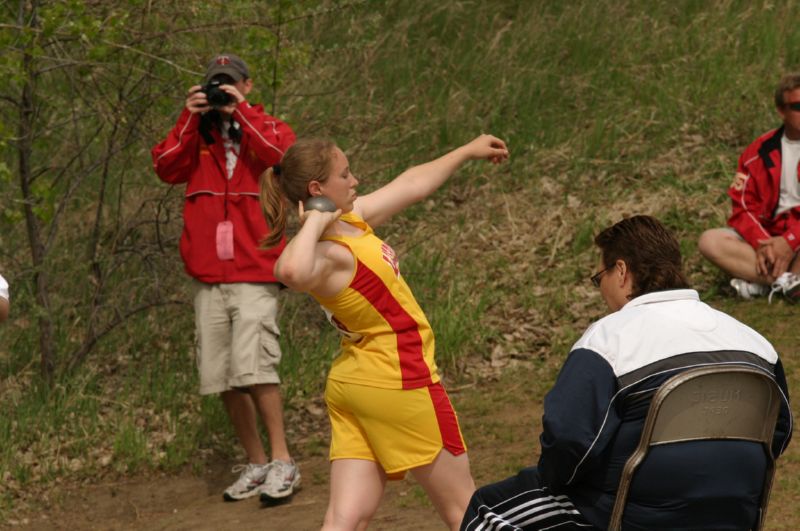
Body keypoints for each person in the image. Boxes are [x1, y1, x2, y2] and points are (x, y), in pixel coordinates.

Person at [462, 215, 793, 530]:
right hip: (737, 508)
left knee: (487, 509)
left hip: (633, 513)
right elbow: (778, 432)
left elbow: (568, 442)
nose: (601, 289)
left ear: (620, 271)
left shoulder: (609, 339)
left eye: (599, 277)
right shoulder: (755, 342)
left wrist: (562, 482)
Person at [260, 134, 509, 530]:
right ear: (316, 190)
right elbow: (289, 273)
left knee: (346, 518)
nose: (355, 179)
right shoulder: (327, 253)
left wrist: (464, 151)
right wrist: (313, 222)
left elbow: (411, 185)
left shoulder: (350, 221)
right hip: (402, 381)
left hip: (357, 384)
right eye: (345, 174)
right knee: (465, 510)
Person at [151, 53, 300, 503]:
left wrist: (242, 113)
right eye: (215, 86)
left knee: (256, 365)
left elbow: (281, 158)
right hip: (208, 276)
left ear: (247, 86)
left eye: (229, 85)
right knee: (223, 375)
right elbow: (164, 168)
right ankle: (256, 462)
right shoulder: (197, 138)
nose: (221, 93)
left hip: (255, 269)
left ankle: (282, 460)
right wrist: (188, 117)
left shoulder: (269, 127)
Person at [698, 73, 800, 302]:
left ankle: (766, 283)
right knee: (710, 241)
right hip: (768, 238)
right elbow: (742, 207)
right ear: (781, 111)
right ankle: (788, 281)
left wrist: (790, 241)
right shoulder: (757, 152)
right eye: (798, 106)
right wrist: (766, 245)